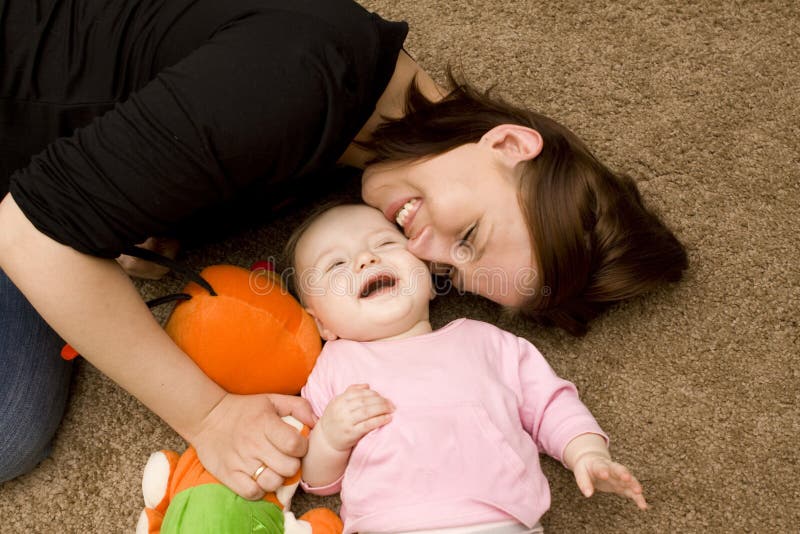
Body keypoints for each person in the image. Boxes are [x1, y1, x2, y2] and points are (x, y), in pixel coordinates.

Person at [0, 0, 685, 497]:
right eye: (469, 233)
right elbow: (27, 233)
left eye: (451, 271)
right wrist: (207, 415)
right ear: (507, 144)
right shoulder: (295, 82)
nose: (423, 249)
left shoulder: (371, 143)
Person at [287, 204, 648, 533]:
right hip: (389, 524)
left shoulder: (486, 342)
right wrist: (331, 437)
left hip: (501, 516)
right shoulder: (333, 366)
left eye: (384, 243)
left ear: (429, 278)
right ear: (321, 325)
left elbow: (550, 404)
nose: (365, 259)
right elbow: (318, 481)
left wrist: (586, 452)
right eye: (335, 265)